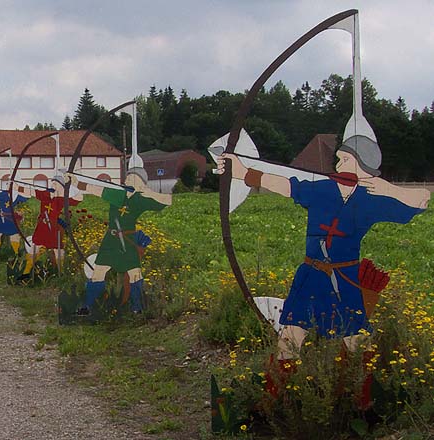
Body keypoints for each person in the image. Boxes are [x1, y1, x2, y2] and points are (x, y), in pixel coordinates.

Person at [218, 135, 429, 380]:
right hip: (311, 275)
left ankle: (364, 396)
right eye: (338, 159)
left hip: (345, 278)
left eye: (345, 160)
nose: (338, 165)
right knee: (290, 335)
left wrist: (388, 188)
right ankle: (284, 395)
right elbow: (288, 185)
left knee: (357, 338)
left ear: (362, 166)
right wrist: (243, 172)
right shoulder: (322, 189)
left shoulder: (372, 200)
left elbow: (423, 199)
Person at [70, 168, 172, 315]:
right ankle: (87, 306)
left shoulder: (141, 199)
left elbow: (168, 200)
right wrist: (76, 183)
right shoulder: (118, 194)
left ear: (141, 183)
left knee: (135, 273)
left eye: (131, 178)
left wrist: (150, 192)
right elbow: (95, 189)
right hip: (111, 240)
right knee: (98, 271)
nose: (126, 181)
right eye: (127, 177)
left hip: (128, 240)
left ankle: (137, 308)